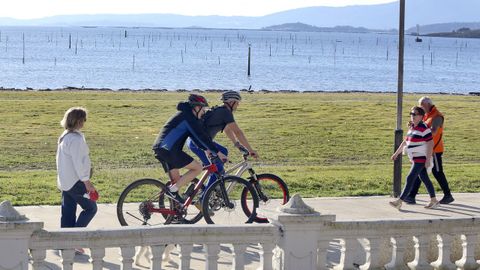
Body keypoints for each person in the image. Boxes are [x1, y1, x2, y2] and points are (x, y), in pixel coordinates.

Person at [152, 94, 227, 203]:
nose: (203, 112)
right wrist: (218, 152)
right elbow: (201, 136)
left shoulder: (184, 115)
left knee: (177, 182)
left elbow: (195, 137)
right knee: (197, 168)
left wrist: (206, 150)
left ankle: (175, 213)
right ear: (196, 107)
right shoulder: (188, 118)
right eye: (203, 109)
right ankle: (172, 192)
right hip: (169, 150)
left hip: (161, 149)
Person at [187, 90, 259, 194]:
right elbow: (238, 132)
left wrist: (237, 144)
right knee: (218, 170)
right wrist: (250, 150)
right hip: (199, 144)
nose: (238, 106)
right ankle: (204, 198)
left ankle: (206, 187)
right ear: (231, 102)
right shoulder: (225, 112)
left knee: (223, 151)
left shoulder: (221, 111)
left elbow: (227, 129)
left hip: (196, 142)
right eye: (237, 103)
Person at [56, 107, 97, 253]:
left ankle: (64, 243)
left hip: (65, 182)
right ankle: (75, 240)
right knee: (91, 208)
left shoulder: (65, 136)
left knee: (68, 212)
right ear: (79, 121)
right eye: (84, 120)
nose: (85, 122)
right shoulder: (76, 139)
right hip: (75, 182)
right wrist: (87, 182)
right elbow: (78, 163)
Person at [404, 97, 454, 205]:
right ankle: (411, 196)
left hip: (434, 150)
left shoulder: (438, 116)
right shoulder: (426, 115)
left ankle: (448, 195)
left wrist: (421, 131)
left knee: (437, 172)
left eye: (421, 105)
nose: (420, 108)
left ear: (427, 104)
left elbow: (434, 131)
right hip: (425, 150)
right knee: (420, 172)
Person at [389, 106, 439, 210]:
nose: (412, 116)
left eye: (414, 114)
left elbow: (430, 144)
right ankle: (434, 200)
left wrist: (427, 160)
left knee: (410, 178)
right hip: (415, 158)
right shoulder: (412, 128)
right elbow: (405, 142)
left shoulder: (424, 129)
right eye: (411, 114)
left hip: (421, 159)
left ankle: (400, 201)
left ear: (421, 116)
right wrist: (396, 153)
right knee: (424, 178)